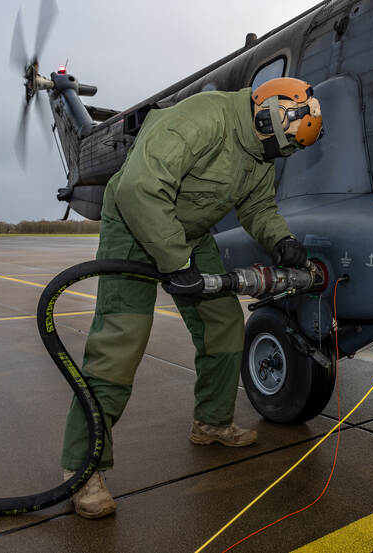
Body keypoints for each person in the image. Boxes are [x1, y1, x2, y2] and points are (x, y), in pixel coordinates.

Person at [60, 77, 323, 518]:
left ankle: (211, 422)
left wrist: (281, 241)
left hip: (188, 233)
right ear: (267, 116)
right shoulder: (202, 119)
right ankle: (83, 468)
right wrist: (176, 264)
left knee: (223, 324)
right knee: (119, 347)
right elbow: (136, 189)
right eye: (280, 147)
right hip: (133, 224)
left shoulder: (262, 148)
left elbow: (257, 208)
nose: (277, 157)